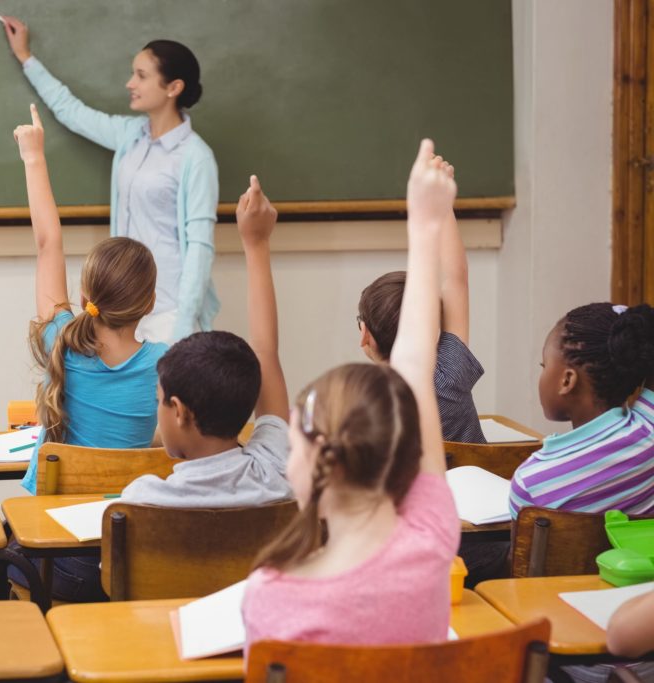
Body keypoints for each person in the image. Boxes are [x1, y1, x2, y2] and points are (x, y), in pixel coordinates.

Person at [242, 140, 460, 649]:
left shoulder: (270, 596)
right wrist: (426, 226)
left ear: (321, 459)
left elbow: (409, 365)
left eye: (293, 447)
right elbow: (412, 364)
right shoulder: (431, 541)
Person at [9, 104, 167, 601]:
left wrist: (34, 156)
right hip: (131, 555)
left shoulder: (63, 339)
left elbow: (46, 243)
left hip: (52, 559)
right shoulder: (169, 366)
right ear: (151, 303)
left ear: (84, 297)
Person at [0, 17, 218, 343]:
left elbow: (199, 247)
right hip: (124, 308)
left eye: (141, 76)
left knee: (165, 395)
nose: (130, 83)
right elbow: (70, 110)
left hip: (169, 312)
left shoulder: (195, 157)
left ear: (174, 87)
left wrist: (184, 327)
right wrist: (25, 56)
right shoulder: (130, 136)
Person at [121, 175, 290, 507]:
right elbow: (266, 353)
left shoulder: (144, 500)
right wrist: (257, 244)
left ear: (180, 411)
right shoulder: (277, 472)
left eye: (159, 401)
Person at [355, 159, 486, 444]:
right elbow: (456, 278)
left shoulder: (369, 405)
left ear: (366, 335)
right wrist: (443, 207)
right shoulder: (449, 377)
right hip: (470, 488)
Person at [509, 303, 654, 517]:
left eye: (544, 366)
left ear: (567, 380)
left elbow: (524, 550)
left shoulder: (531, 483)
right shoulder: (650, 431)